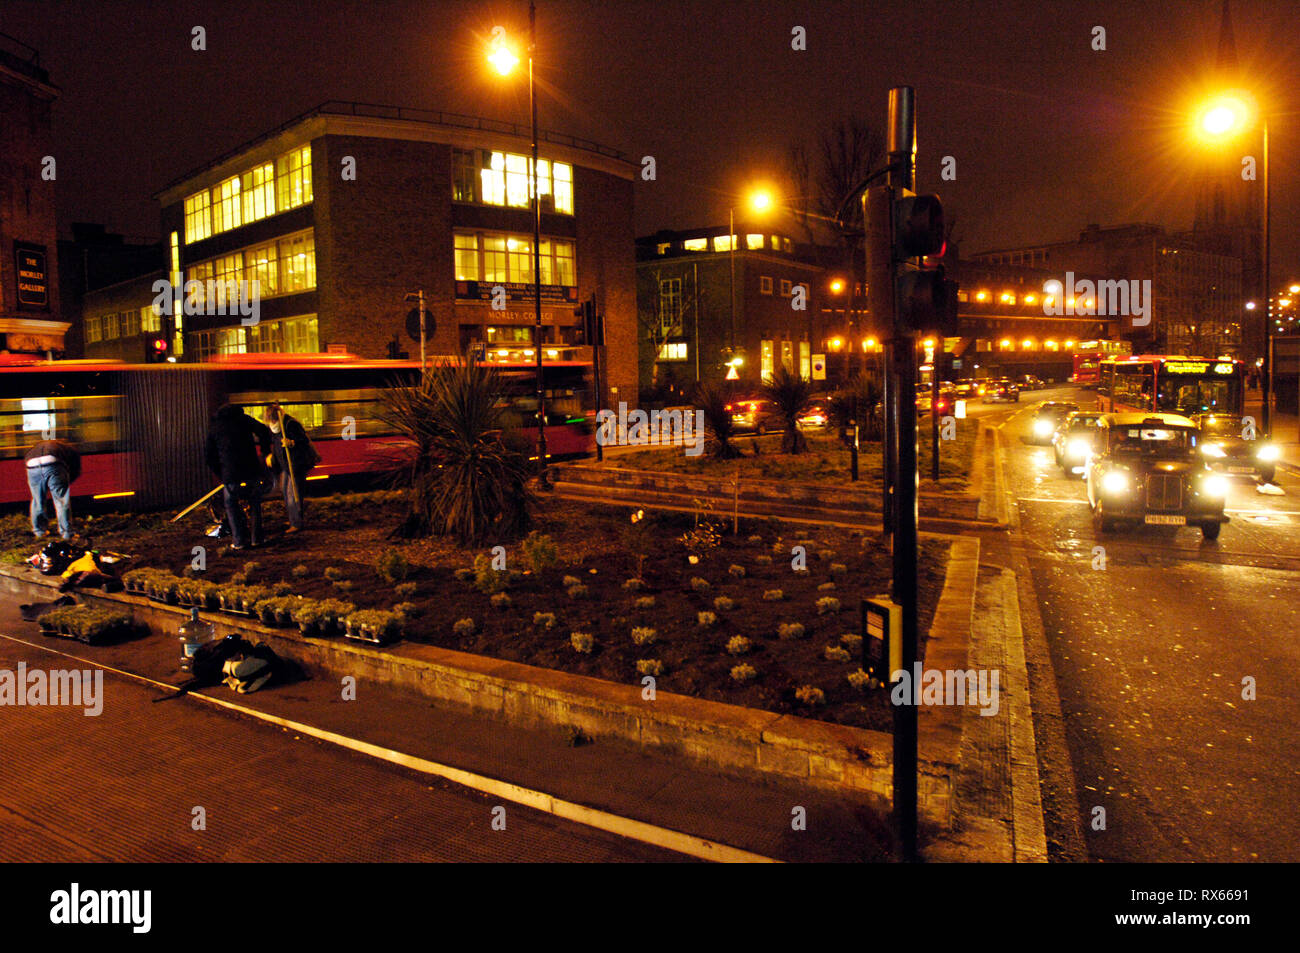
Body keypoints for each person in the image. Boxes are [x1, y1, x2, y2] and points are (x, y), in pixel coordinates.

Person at [204, 404, 272, 551]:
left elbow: (209, 456)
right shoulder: (244, 420)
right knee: (255, 504)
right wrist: (265, 451)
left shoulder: (215, 426)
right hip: (251, 470)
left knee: (231, 505)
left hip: (230, 474)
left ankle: (239, 541)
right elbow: (263, 431)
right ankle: (257, 539)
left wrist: (221, 473)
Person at [263, 403, 319, 533]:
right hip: (285, 465)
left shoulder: (290, 424)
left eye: (272, 418)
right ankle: (293, 519)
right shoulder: (275, 428)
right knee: (285, 492)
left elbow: (303, 440)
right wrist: (273, 457)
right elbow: (277, 446)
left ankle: (297, 523)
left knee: (293, 494)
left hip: (296, 464)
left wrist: (292, 442)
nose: (270, 422)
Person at [25, 438, 80, 540]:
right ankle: (66, 533)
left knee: (37, 500)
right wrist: (67, 481)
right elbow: (75, 468)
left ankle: (39, 531)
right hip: (53, 462)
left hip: (31, 465)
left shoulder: (37, 446)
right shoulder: (70, 450)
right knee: (61, 500)